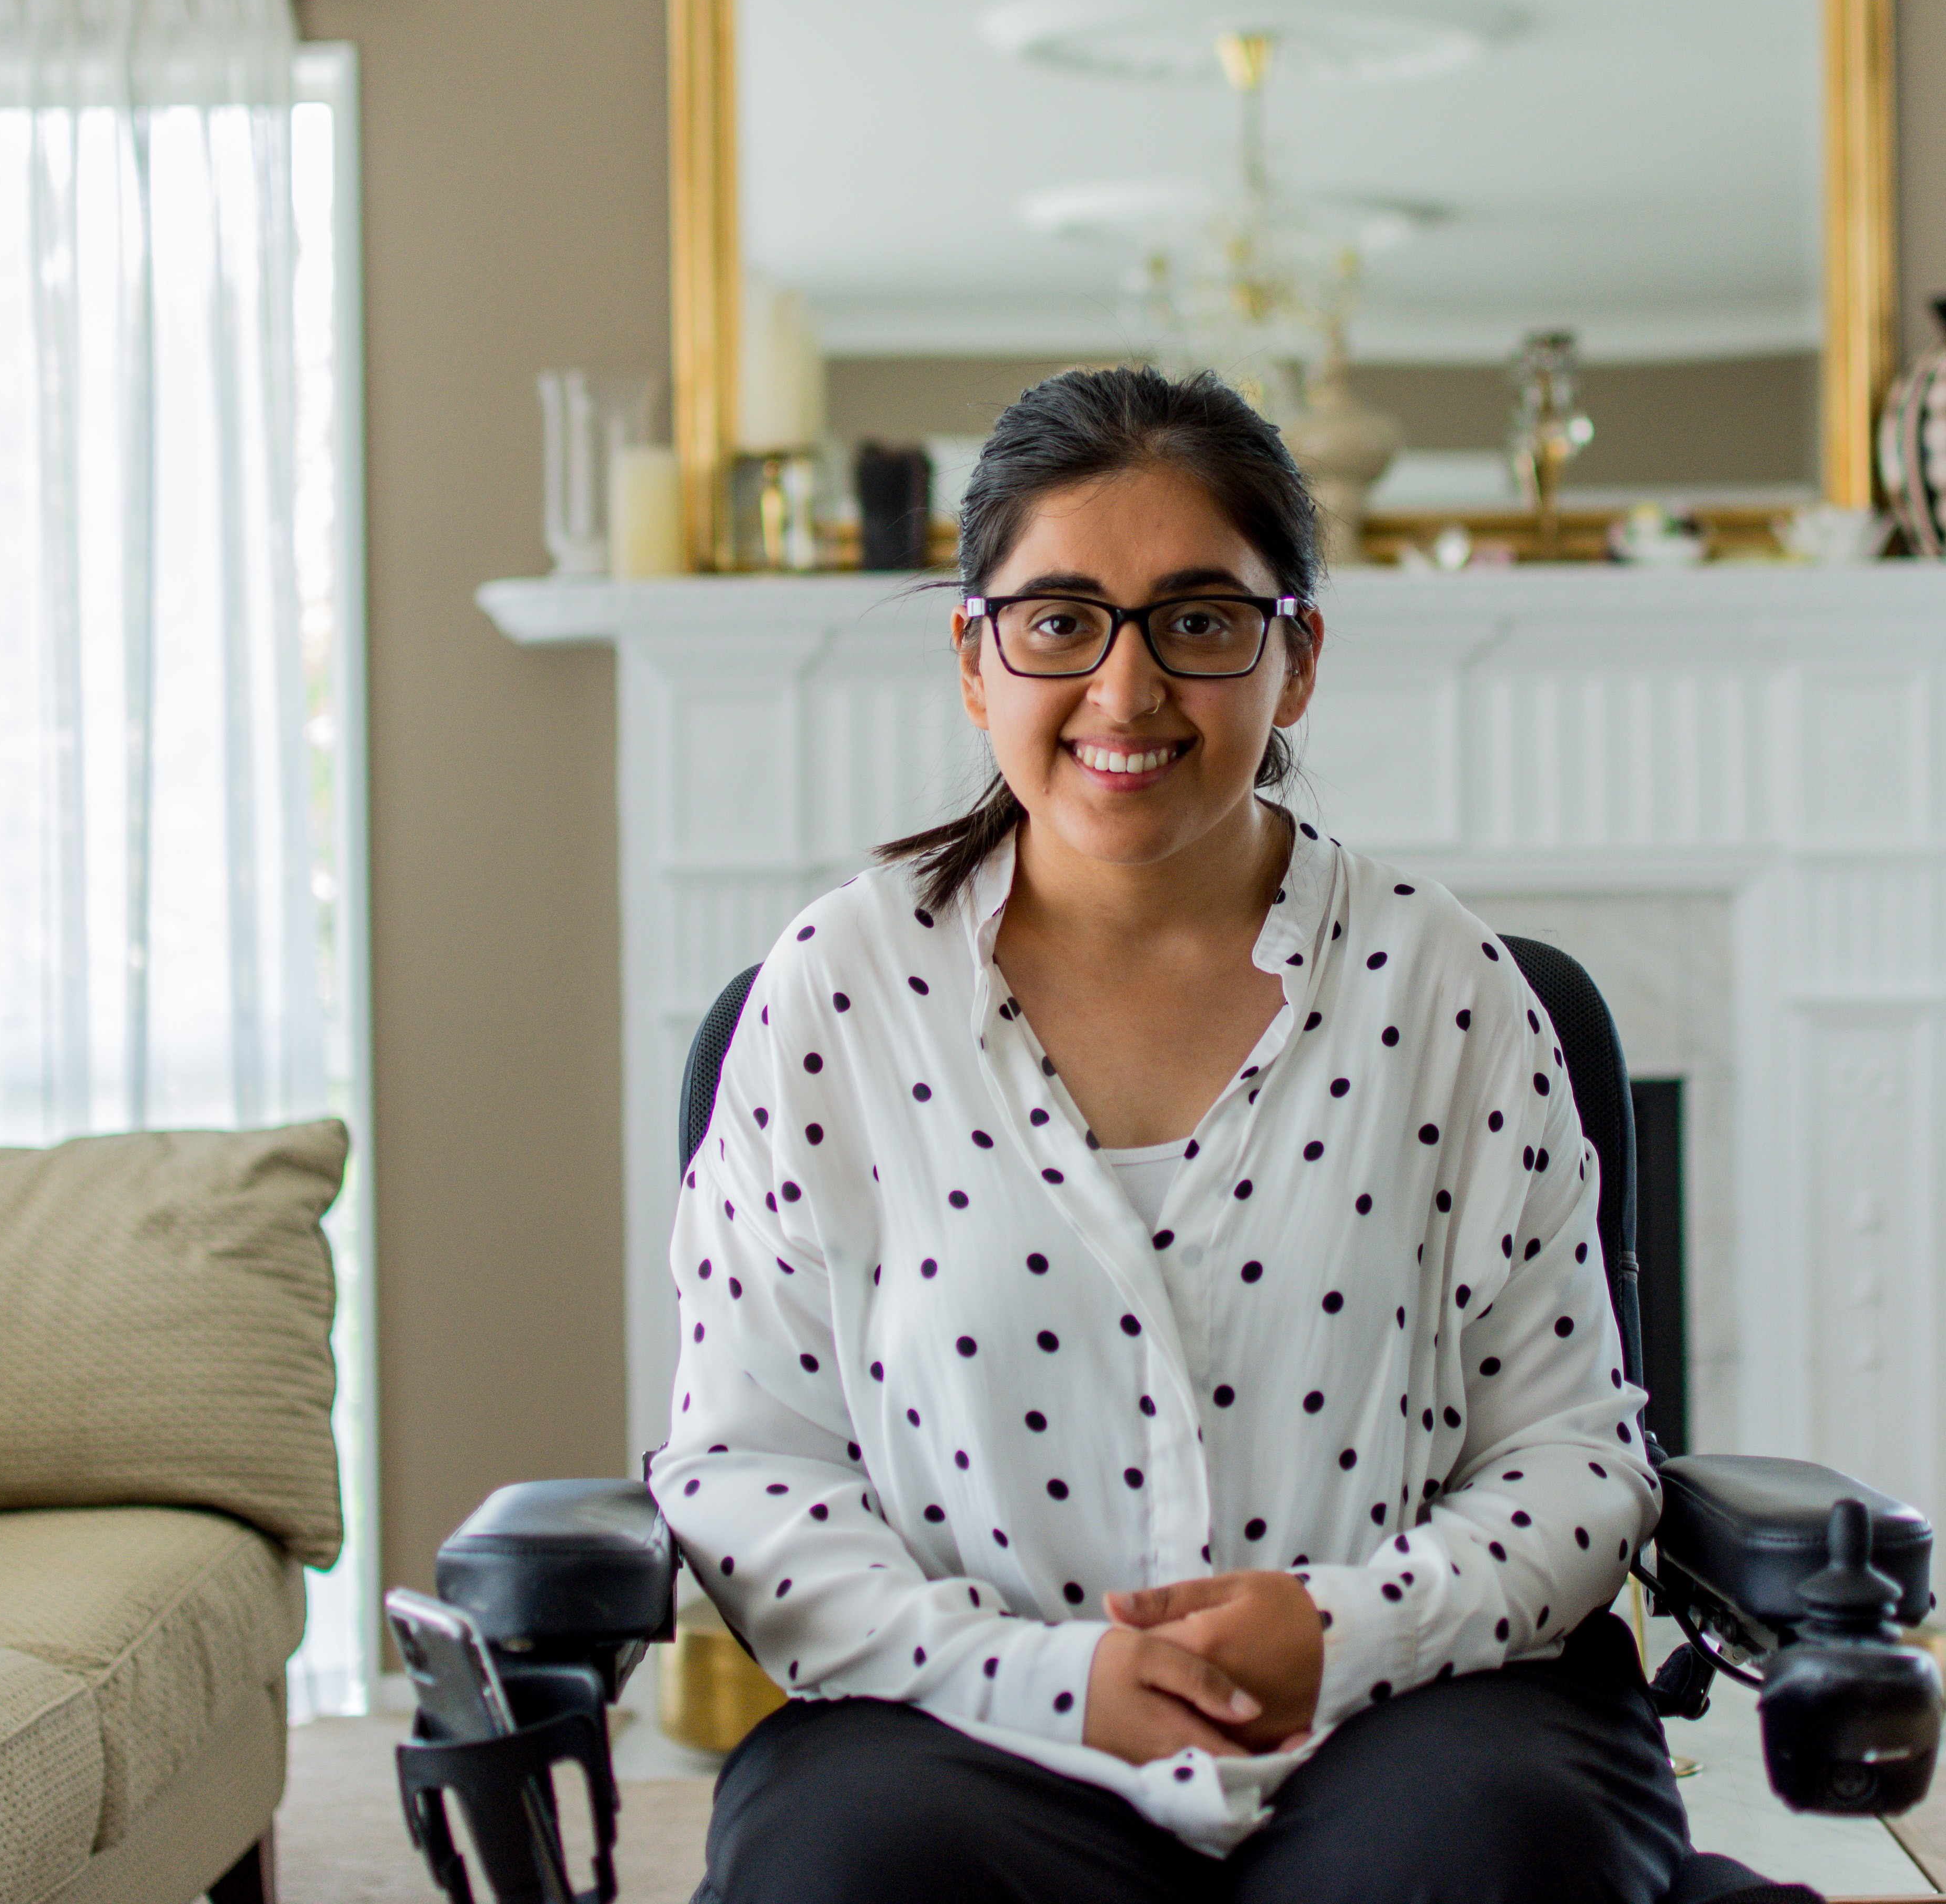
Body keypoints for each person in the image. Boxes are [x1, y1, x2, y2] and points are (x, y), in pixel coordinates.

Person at [651, 367, 1810, 1903]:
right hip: (959, 1730)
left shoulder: (1449, 991)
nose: (1126, 693)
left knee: (1496, 1853)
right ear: (975, 657)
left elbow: (1573, 1458)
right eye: (1061, 621)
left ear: (1297, 655)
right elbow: (749, 1470)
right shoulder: (833, 1001)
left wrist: (1345, 1632)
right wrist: (1049, 1682)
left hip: (1427, 1710)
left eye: (1200, 622)